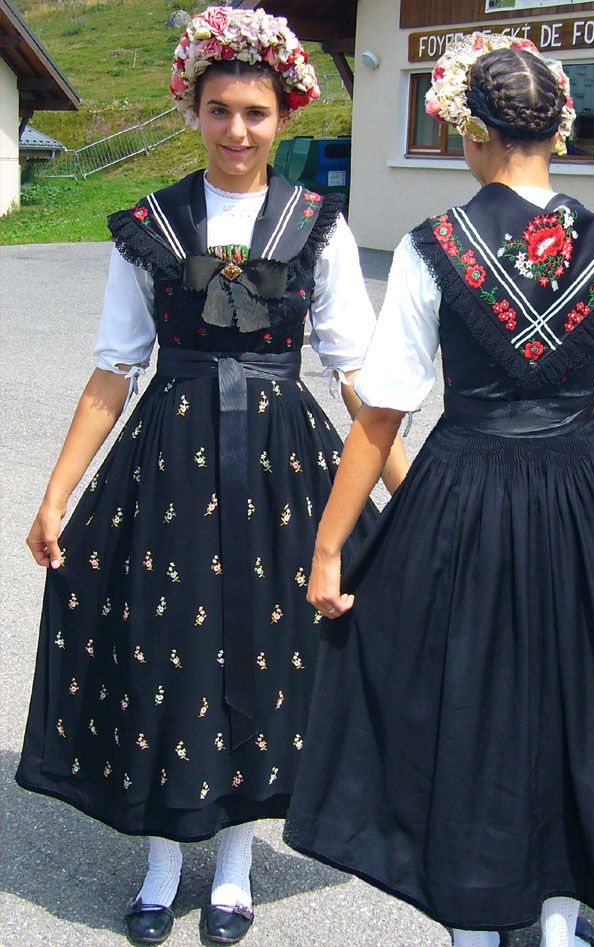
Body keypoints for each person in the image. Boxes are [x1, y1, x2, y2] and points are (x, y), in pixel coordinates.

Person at [283, 34, 594, 947]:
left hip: (462, 495)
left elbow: (380, 414)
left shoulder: (433, 245)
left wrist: (328, 546)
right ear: (563, 126)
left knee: (463, 703)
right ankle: (555, 922)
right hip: (585, 498)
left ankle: (474, 927)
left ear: (469, 135)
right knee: (574, 705)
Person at [16, 7, 406, 945]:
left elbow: (358, 376)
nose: (238, 131)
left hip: (283, 469)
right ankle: (161, 859)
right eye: (220, 109)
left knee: (263, 654)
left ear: (285, 118)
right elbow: (116, 368)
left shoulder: (319, 223)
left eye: (257, 113)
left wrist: (411, 490)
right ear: (192, 109)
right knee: (165, 646)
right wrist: (57, 489)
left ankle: (232, 867)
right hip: (169, 468)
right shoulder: (149, 224)